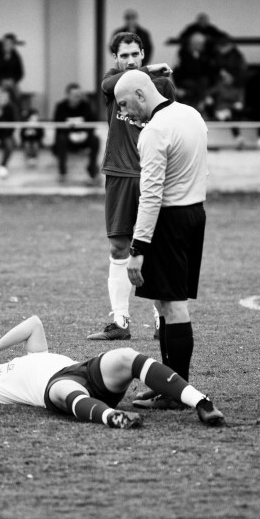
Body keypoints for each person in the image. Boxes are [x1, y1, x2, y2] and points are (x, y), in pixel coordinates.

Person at [0, 315, 225, 428]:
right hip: (54, 389)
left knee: (126, 355)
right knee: (63, 394)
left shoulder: (35, 352)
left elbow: (33, 322)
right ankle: (112, 419)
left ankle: (201, 402)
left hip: (83, 370)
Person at [112, 69, 209, 411]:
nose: (124, 113)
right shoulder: (191, 115)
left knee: (172, 305)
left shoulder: (154, 131)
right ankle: (171, 384)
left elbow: (151, 194)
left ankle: (177, 391)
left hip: (168, 218)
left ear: (141, 94)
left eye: (124, 104)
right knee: (165, 305)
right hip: (194, 213)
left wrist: (138, 249)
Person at [88, 31, 174, 341]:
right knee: (118, 246)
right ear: (115, 58)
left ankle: (163, 319)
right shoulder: (114, 81)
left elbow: (171, 124)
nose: (130, 60)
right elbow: (109, 85)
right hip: (120, 173)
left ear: (142, 53)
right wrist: (150, 70)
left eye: (135, 54)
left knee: (154, 247)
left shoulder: (162, 85)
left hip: (153, 172)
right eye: (123, 55)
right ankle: (120, 322)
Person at [52, 83, 100, 183]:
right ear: (68, 95)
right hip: (67, 138)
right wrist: (71, 134)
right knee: (61, 139)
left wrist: (84, 133)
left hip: (84, 137)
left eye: (79, 94)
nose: (77, 97)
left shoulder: (86, 106)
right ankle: (62, 172)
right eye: (75, 95)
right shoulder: (61, 106)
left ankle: (92, 170)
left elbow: (92, 122)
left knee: (95, 140)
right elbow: (57, 125)